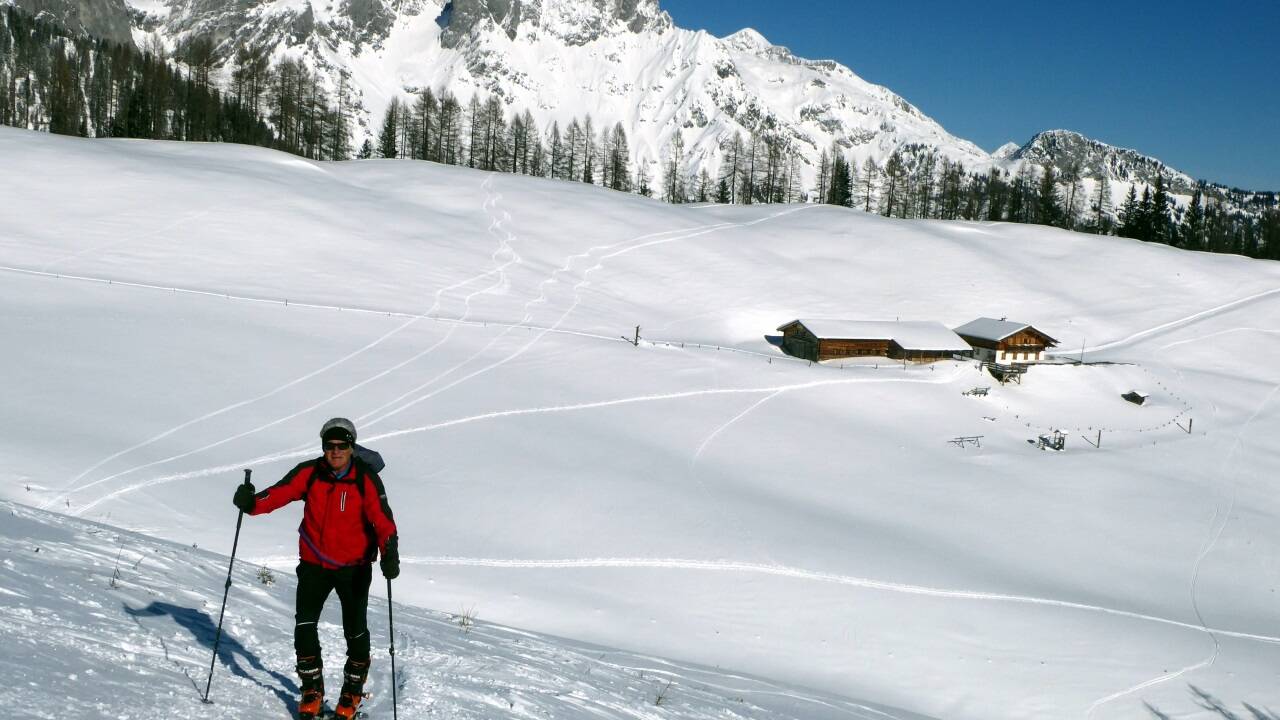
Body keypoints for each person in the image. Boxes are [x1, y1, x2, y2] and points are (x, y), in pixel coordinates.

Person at [233, 418, 399, 720]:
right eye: (329, 446)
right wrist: (251, 504)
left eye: (341, 446)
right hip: (314, 563)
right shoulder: (310, 472)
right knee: (304, 627)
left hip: (354, 567)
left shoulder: (366, 479)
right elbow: (281, 493)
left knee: (355, 630)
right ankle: (311, 690)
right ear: (323, 447)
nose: (335, 452)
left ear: (351, 447)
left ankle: (351, 694)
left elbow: (382, 520)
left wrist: (390, 552)